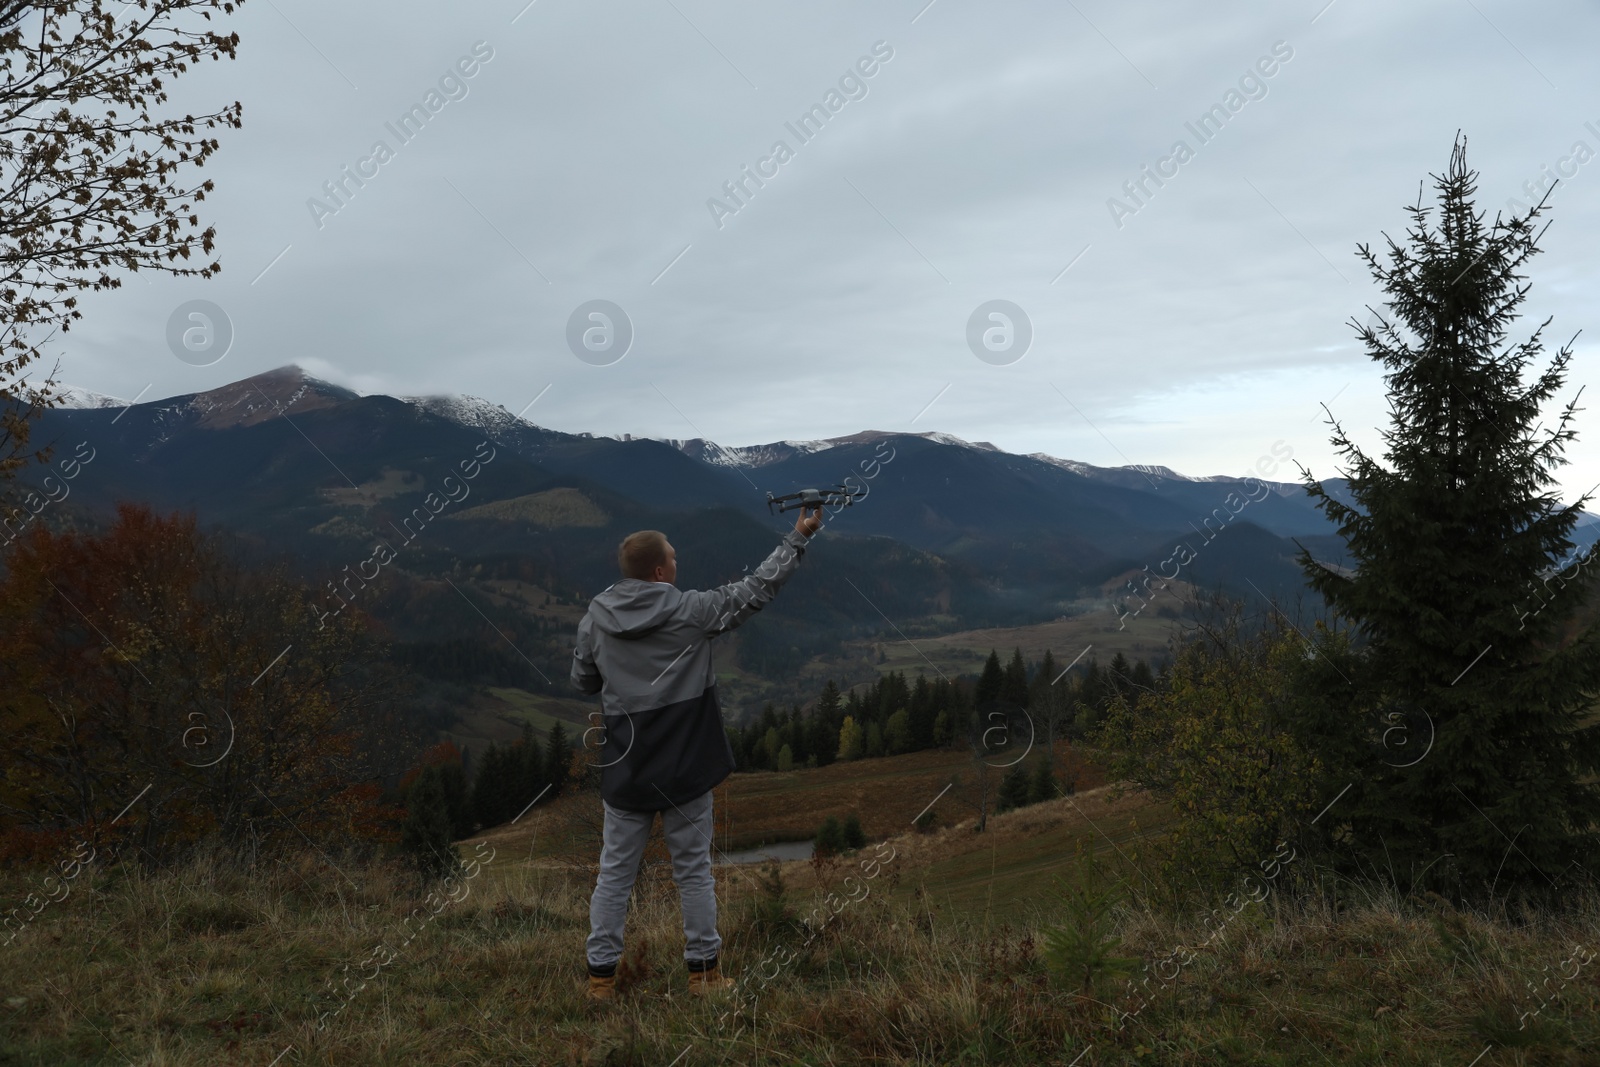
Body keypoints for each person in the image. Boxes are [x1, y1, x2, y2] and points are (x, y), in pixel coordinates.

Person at [571, 505, 824, 1001]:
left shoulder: (593, 621)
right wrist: (797, 536)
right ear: (660, 571)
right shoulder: (691, 611)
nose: (678, 563)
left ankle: (600, 981)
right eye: (674, 558)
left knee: (615, 875)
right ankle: (704, 977)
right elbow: (756, 590)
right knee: (693, 874)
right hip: (687, 766)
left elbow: (583, 682)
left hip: (626, 769)